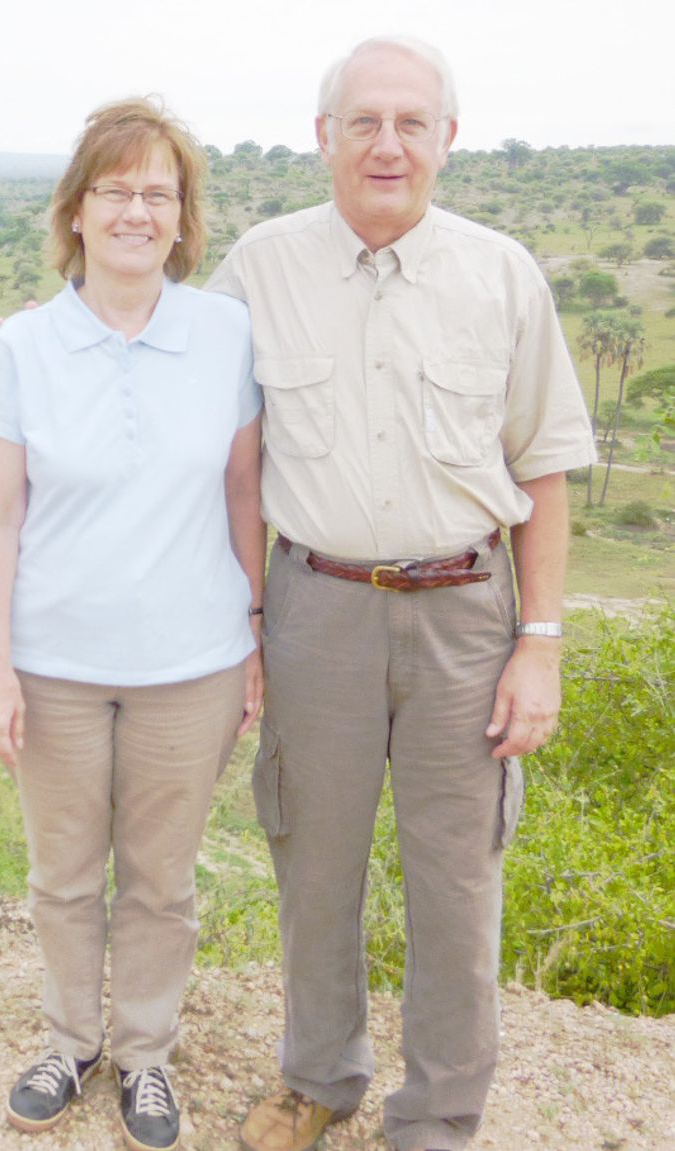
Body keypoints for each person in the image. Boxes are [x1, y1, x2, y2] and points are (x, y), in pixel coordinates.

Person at [205, 36, 597, 1151]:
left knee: (457, 890)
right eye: (363, 122)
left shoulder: (502, 273)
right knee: (313, 867)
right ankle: (318, 1079)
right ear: (322, 136)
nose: (388, 144)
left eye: (411, 123)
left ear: (448, 140)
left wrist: (542, 641)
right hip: (314, 605)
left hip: (468, 614)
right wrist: (43, 341)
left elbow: (546, 467)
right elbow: (186, 395)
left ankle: (436, 1118)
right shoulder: (261, 265)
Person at [0, 97, 265, 1151]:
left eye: (159, 192)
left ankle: (144, 1053)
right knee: (61, 870)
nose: (138, 209)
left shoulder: (224, 332)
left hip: (192, 661)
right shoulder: (26, 347)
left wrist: (258, 633)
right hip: (52, 663)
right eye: (116, 189)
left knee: (161, 876)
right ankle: (68, 1038)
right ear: (79, 210)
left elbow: (244, 491)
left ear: (181, 216)